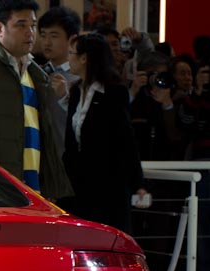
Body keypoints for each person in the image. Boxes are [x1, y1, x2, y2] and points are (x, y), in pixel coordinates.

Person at [0, 0, 71, 199]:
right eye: (21, 25)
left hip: (34, 187)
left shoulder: (35, 73)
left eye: (32, 25)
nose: (30, 32)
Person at [60, 33, 147, 234]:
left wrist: (138, 183)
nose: (68, 58)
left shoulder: (114, 93)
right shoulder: (76, 92)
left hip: (108, 185)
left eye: (72, 53)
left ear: (84, 58)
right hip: (79, 185)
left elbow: (126, 140)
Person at [178, 60, 210, 271]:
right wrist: (198, 94)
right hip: (200, 172)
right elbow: (189, 125)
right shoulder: (194, 100)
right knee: (201, 237)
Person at [37, 6, 81, 150]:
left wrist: (64, 97)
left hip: (68, 154)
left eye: (54, 36)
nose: (47, 42)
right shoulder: (37, 72)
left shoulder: (80, 77)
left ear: (72, 39)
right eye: (43, 35)